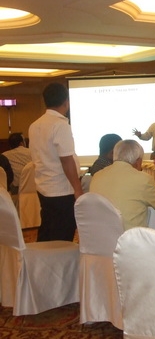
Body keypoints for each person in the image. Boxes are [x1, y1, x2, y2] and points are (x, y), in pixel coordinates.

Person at [28, 82, 83, 242]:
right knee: (62, 234)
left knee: (48, 230)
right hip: (61, 190)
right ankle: (59, 266)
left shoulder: (35, 125)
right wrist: (77, 189)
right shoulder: (60, 125)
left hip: (44, 186)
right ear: (66, 102)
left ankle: (42, 262)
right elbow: (66, 160)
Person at [90, 139, 155, 230]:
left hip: (100, 235)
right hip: (130, 239)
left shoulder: (97, 176)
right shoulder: (143, 179)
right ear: (138, 161)